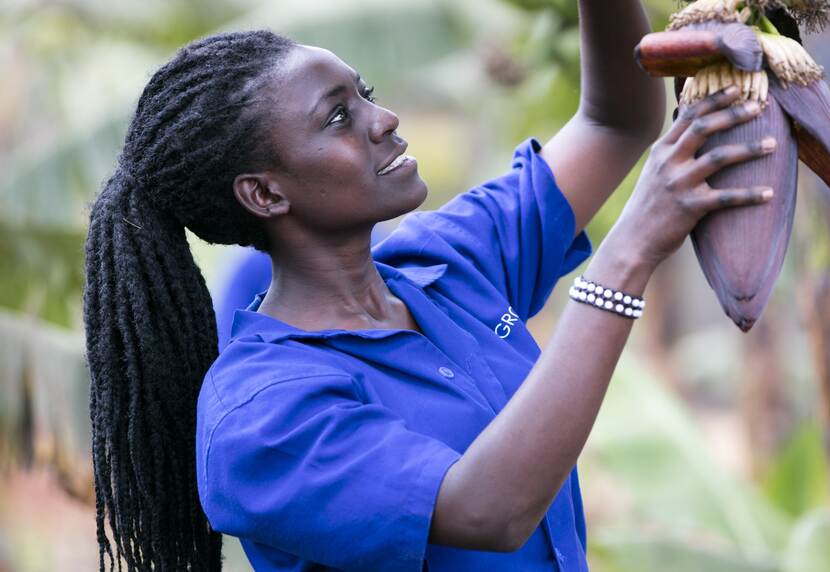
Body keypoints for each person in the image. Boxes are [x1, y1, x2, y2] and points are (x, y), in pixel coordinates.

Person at [82, 1, 776, 570]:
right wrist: (625, 259)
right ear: (264, 193)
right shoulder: (261, 418)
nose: (382, 121)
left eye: (367, 96)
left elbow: (615, 122)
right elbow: (488, 511)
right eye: (337, 117)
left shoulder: (443, 263)